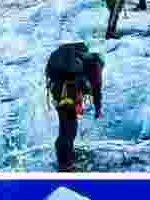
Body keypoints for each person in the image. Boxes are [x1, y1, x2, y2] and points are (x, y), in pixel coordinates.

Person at [45, 43, 105, 172]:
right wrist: (98, 108)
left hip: (58, 91)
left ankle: (65, 158)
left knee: (65, 127)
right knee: (69, 128)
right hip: (70, 92)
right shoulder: (95, 64)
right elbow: (97, 87)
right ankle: (66, 164)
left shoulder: (68, 62)